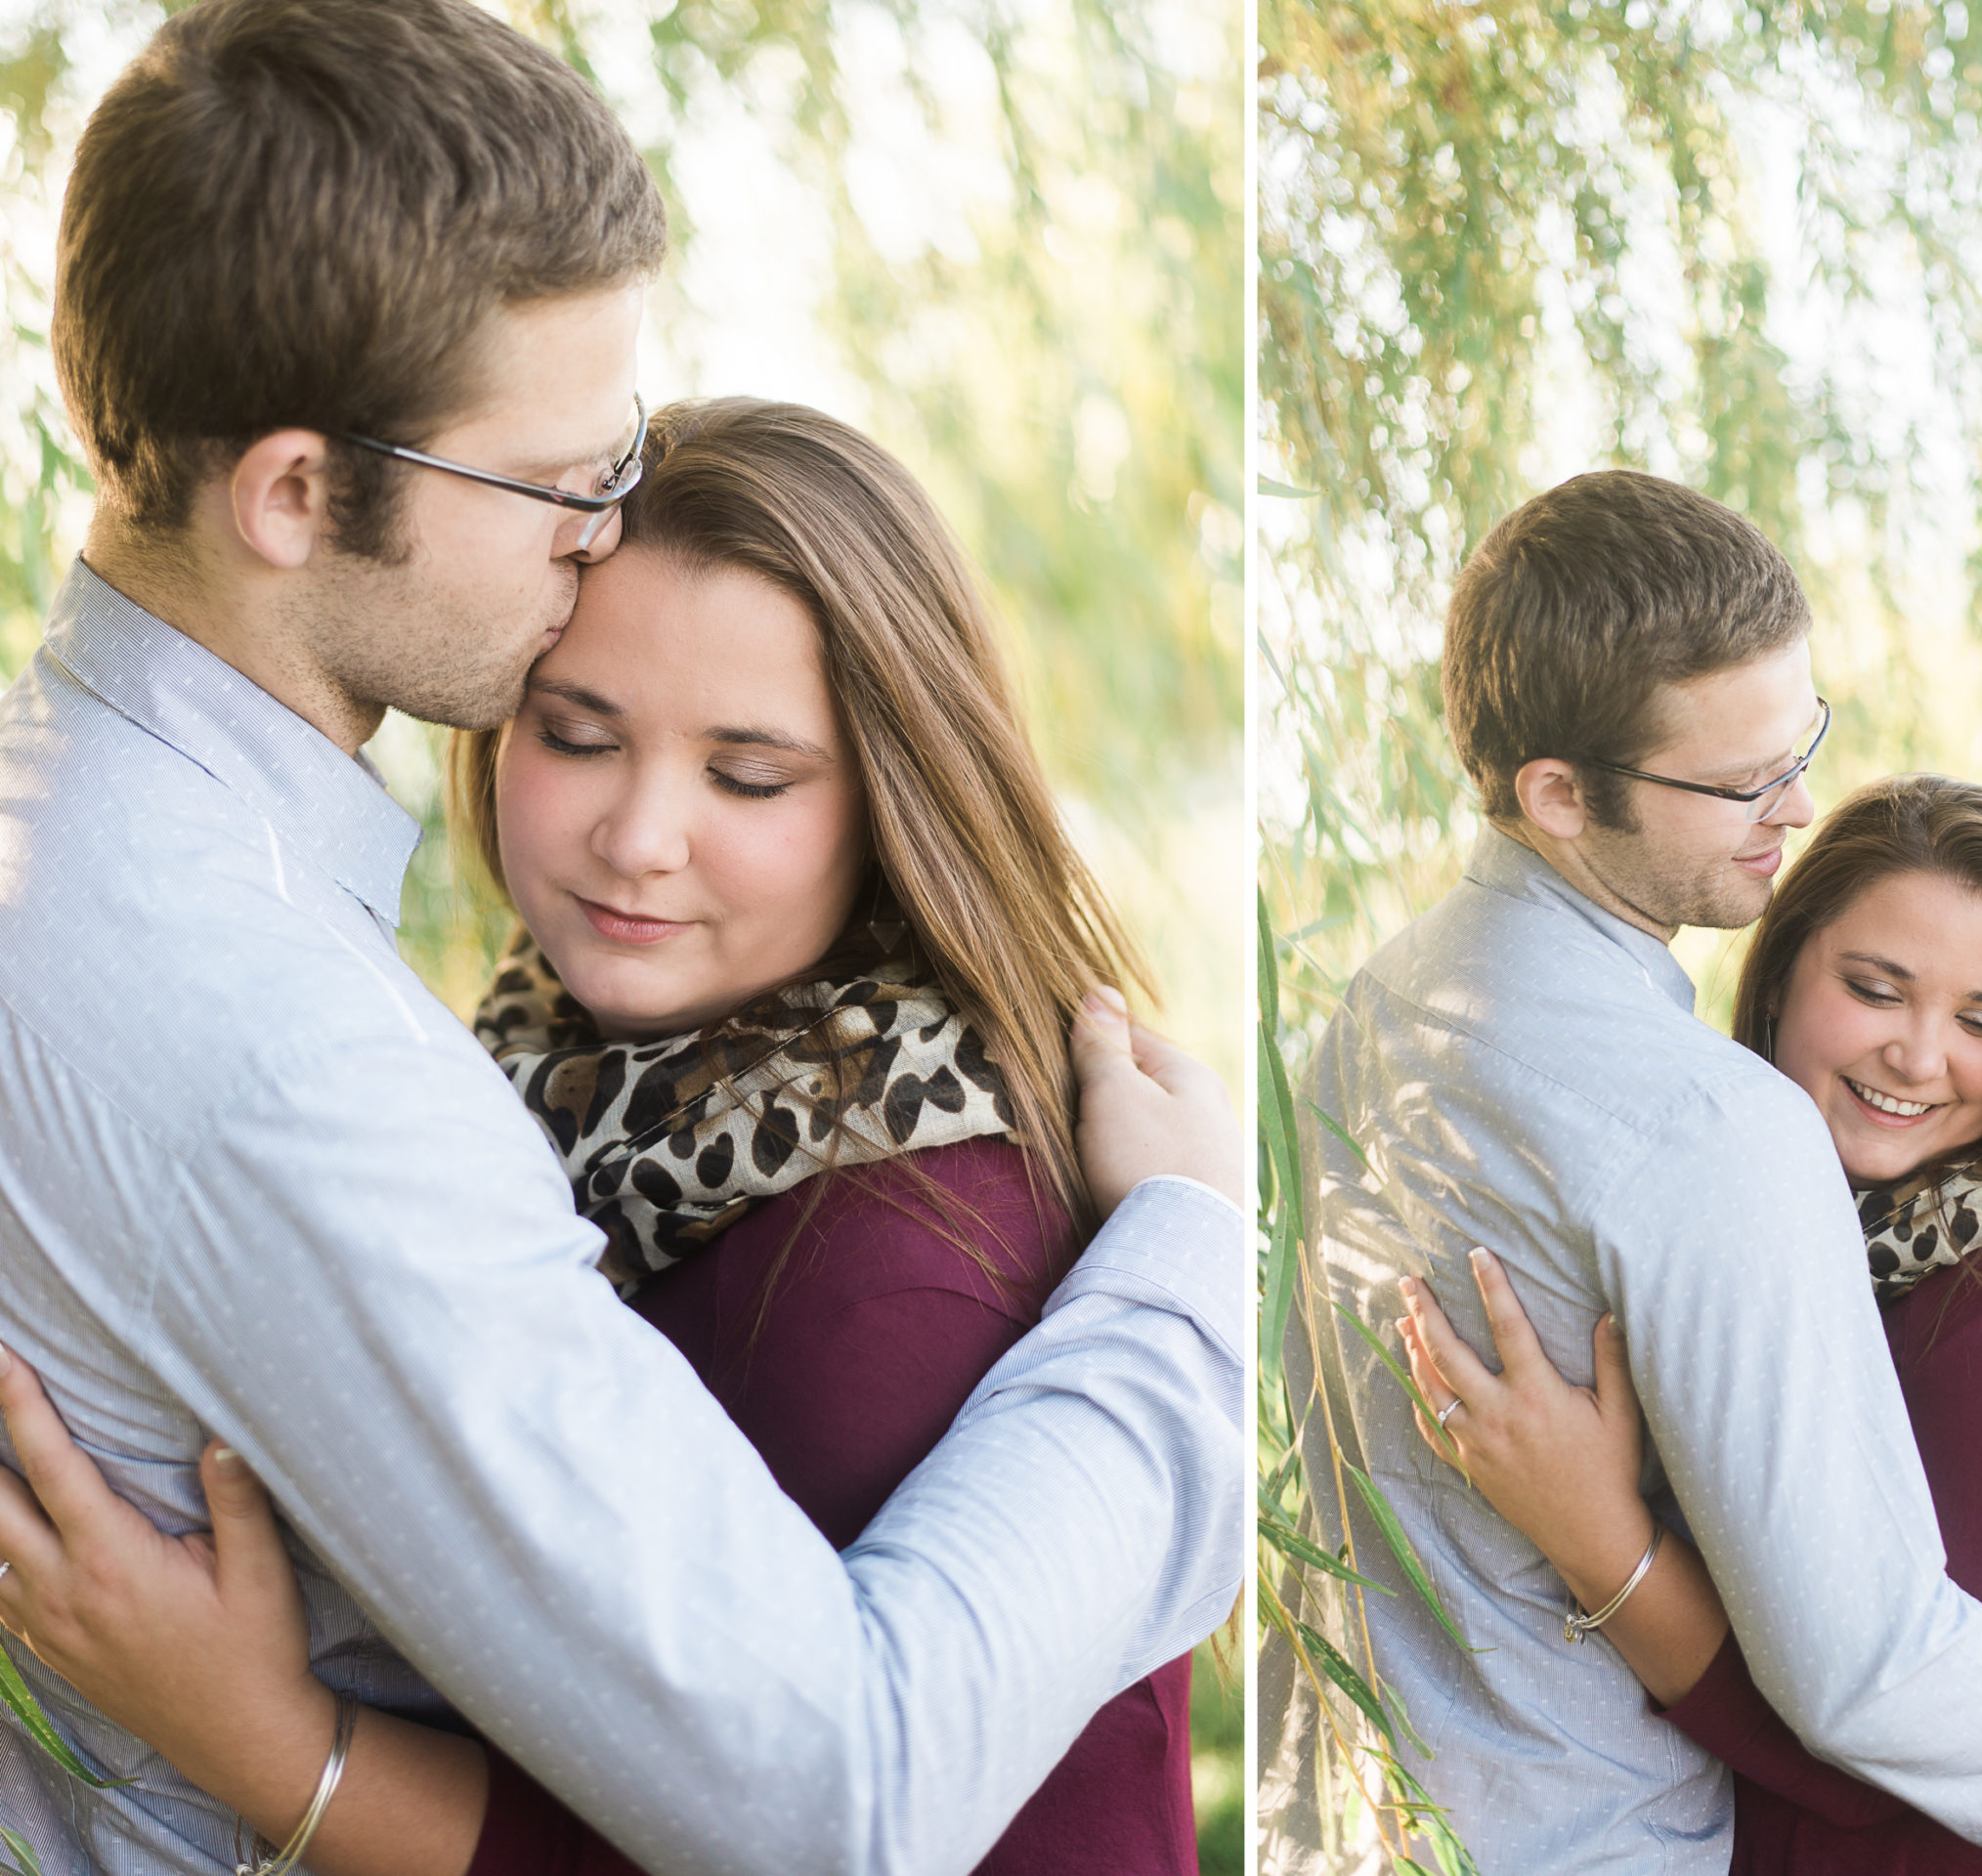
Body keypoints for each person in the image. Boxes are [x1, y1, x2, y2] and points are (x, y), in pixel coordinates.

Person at [0, 7, 1241, 1875]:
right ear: (294, 494)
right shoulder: (295, 1058)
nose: (603, 528)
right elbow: (840, 1795)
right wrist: (1191, 1279)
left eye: (622, 456)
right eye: (559, 481)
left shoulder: (68, 827)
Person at [1256, 471, 1982, 1874]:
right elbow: (1865, 1667)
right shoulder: (1705, 1124)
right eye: (1743, 780)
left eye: (1798, 741)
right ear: (1559, 795)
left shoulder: (1368, 1018)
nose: (1800, 802)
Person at [1396, 773, 1982, 1873]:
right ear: (1778, 979)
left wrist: (1600, 1542)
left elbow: (1888, 1749)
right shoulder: (1796, 1235)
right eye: (1875, 990)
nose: (1919, 1056)